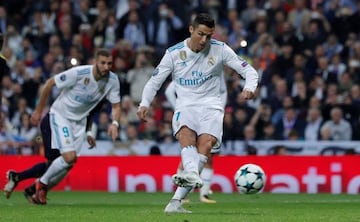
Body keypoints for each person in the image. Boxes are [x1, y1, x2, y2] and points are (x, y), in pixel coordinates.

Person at [137, 13, 258, 213]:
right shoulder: (174, 53)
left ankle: (175, 202)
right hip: (185, 105)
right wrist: (144, 103)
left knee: (206, 144)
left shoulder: (220, 49)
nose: (204, 40)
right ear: (191, 30)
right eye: (201, 34)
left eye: (209, 36)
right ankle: (191, 176)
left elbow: (249, 71)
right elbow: (154, 82)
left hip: (211, 105)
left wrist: (250, 87)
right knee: (186, 136)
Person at [29, 48, 121, 205]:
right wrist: (38, 111)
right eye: (103, 63)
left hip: (79, 122)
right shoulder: (79, 73)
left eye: (109, 63)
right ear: (95, 62)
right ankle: (42, 185)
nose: (106, 67)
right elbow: (50, 83)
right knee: (69, 157)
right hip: (61, 115)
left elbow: (116, 106)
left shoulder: (112, 80)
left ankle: (40, 189)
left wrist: (115, 123)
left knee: (70, 162)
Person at [3, 110, 96, 202]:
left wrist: (88, 133)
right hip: (53, 123)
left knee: (63, 164)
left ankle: (24, 183)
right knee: (57, 162)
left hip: (62, 126)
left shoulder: (93, 102)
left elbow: (90, 114)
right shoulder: (88, 98)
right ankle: (27, 185)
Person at [165, 74, 227, 204]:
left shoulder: (215, 70)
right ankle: (183, 194)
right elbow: (169, 91)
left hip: (209, 115)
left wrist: (218, 110)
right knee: (191, 153)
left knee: (207, 154)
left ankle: (203, 194)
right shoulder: (188, 71)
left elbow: (223, 91)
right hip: (190, 115)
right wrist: (178, 108)